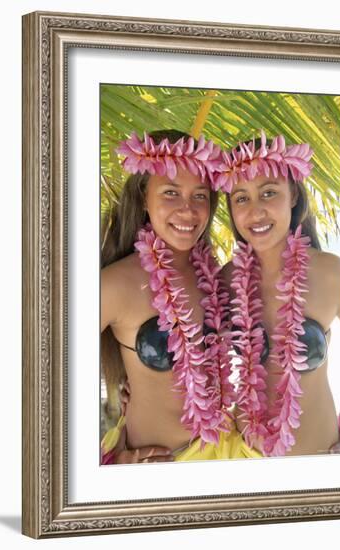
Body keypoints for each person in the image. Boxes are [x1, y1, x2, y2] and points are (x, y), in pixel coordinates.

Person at [100, 129, 248, 464]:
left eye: (200, 196)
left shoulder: (220, 278)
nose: (188, 210)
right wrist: (102, 464)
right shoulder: (116, 284)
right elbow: (40, 374)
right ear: (143, 198)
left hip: (228, 455)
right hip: (161, 468)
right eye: (170, 192)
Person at [215, 130, 340, 457]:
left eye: (269, 192)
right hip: (245, 460)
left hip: (321, 462)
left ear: (294, 197)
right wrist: (126, 385)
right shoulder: (225, 280)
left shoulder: (330, 273)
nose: (255, 211)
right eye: (241, 198)